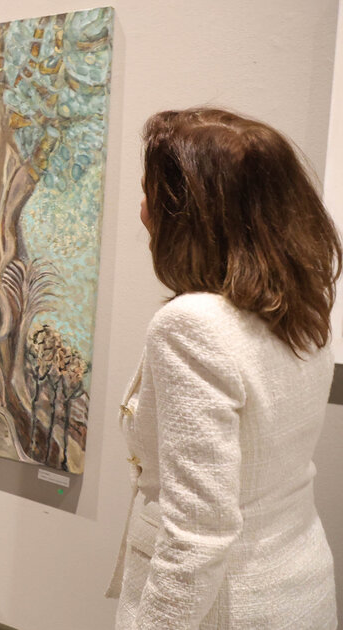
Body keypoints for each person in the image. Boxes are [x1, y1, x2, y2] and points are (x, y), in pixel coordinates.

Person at [107, 108, 340, 628]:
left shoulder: (192, 326)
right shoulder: (301, 310)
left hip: (221, 608)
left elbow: (197, 534)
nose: (142, 211)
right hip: (297, 588)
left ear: (189, 214)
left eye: (150, 194)